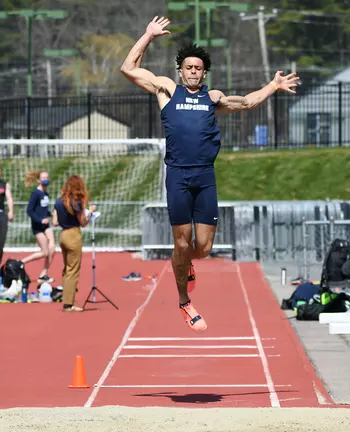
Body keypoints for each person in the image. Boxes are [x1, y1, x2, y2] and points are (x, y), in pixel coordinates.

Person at [120, 16, 300, 332]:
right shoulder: (166, 89)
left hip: (204, 177)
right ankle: (183, 301)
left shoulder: (213, 98)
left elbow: (246, 103)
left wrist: (273, 86)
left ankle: (186, 263)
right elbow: (128, 68)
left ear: (204, 73)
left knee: (202, 248)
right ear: (180, 70)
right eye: (188, 67)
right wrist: (148, 35)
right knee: (181, 244)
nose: (193, 71)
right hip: (177, 176)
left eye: (198, 68)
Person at [54, 175, 97, 312]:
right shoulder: (76, 202)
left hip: (62, 235)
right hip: (73, 234)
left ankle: (67, 297)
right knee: (73, 270)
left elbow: (55, 221)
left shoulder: (59, 201)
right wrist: (90, 213)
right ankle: (68, 304)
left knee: (67, 268)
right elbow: (83, 222)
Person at [20, 170, 55, 283]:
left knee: (52, 249)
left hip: (46, 226)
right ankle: (21, 262)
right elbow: (29, 210)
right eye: (43, 178)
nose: (46, 180)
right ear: (38, 180)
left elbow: (43, 209)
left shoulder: (46, 194)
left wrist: (50, 215)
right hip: (37, 226)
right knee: (45, 252)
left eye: (47, 177)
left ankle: (44, 274)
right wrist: (40, 220)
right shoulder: (36, 194)